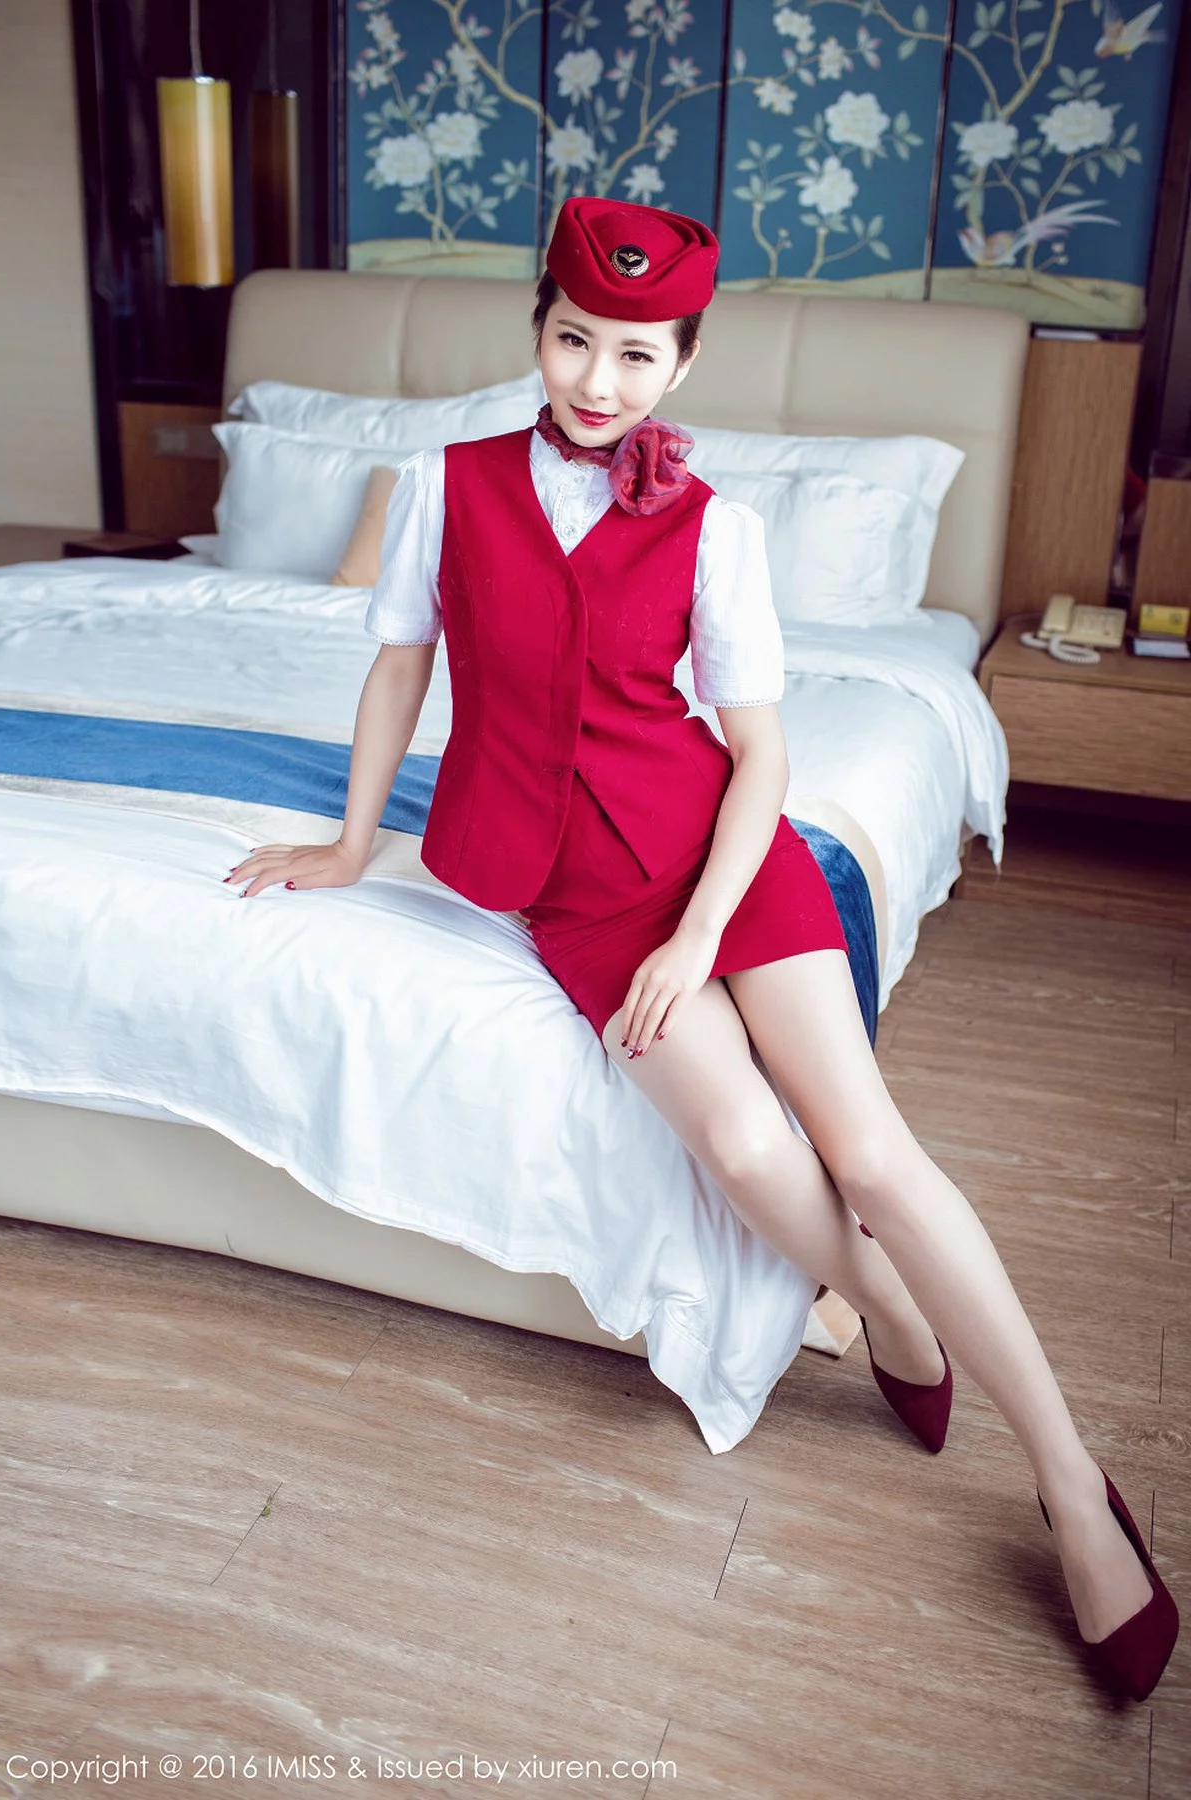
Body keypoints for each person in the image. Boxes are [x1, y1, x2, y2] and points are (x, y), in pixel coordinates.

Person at [223, 196, 1178, 1701]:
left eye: (636, 356)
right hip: (575, 891)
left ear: (681, 365)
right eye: (573, 341)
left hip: (722, 857)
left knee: (872, 1158)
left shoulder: (717, 524)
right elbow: (401, 668)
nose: (598, 381)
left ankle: (1069, 1480)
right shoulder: (448, 485)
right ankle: (898, 1320)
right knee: (739, 1147)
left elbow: (761, 754)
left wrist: (699, 942)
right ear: (539, 331)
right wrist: (350, 846)